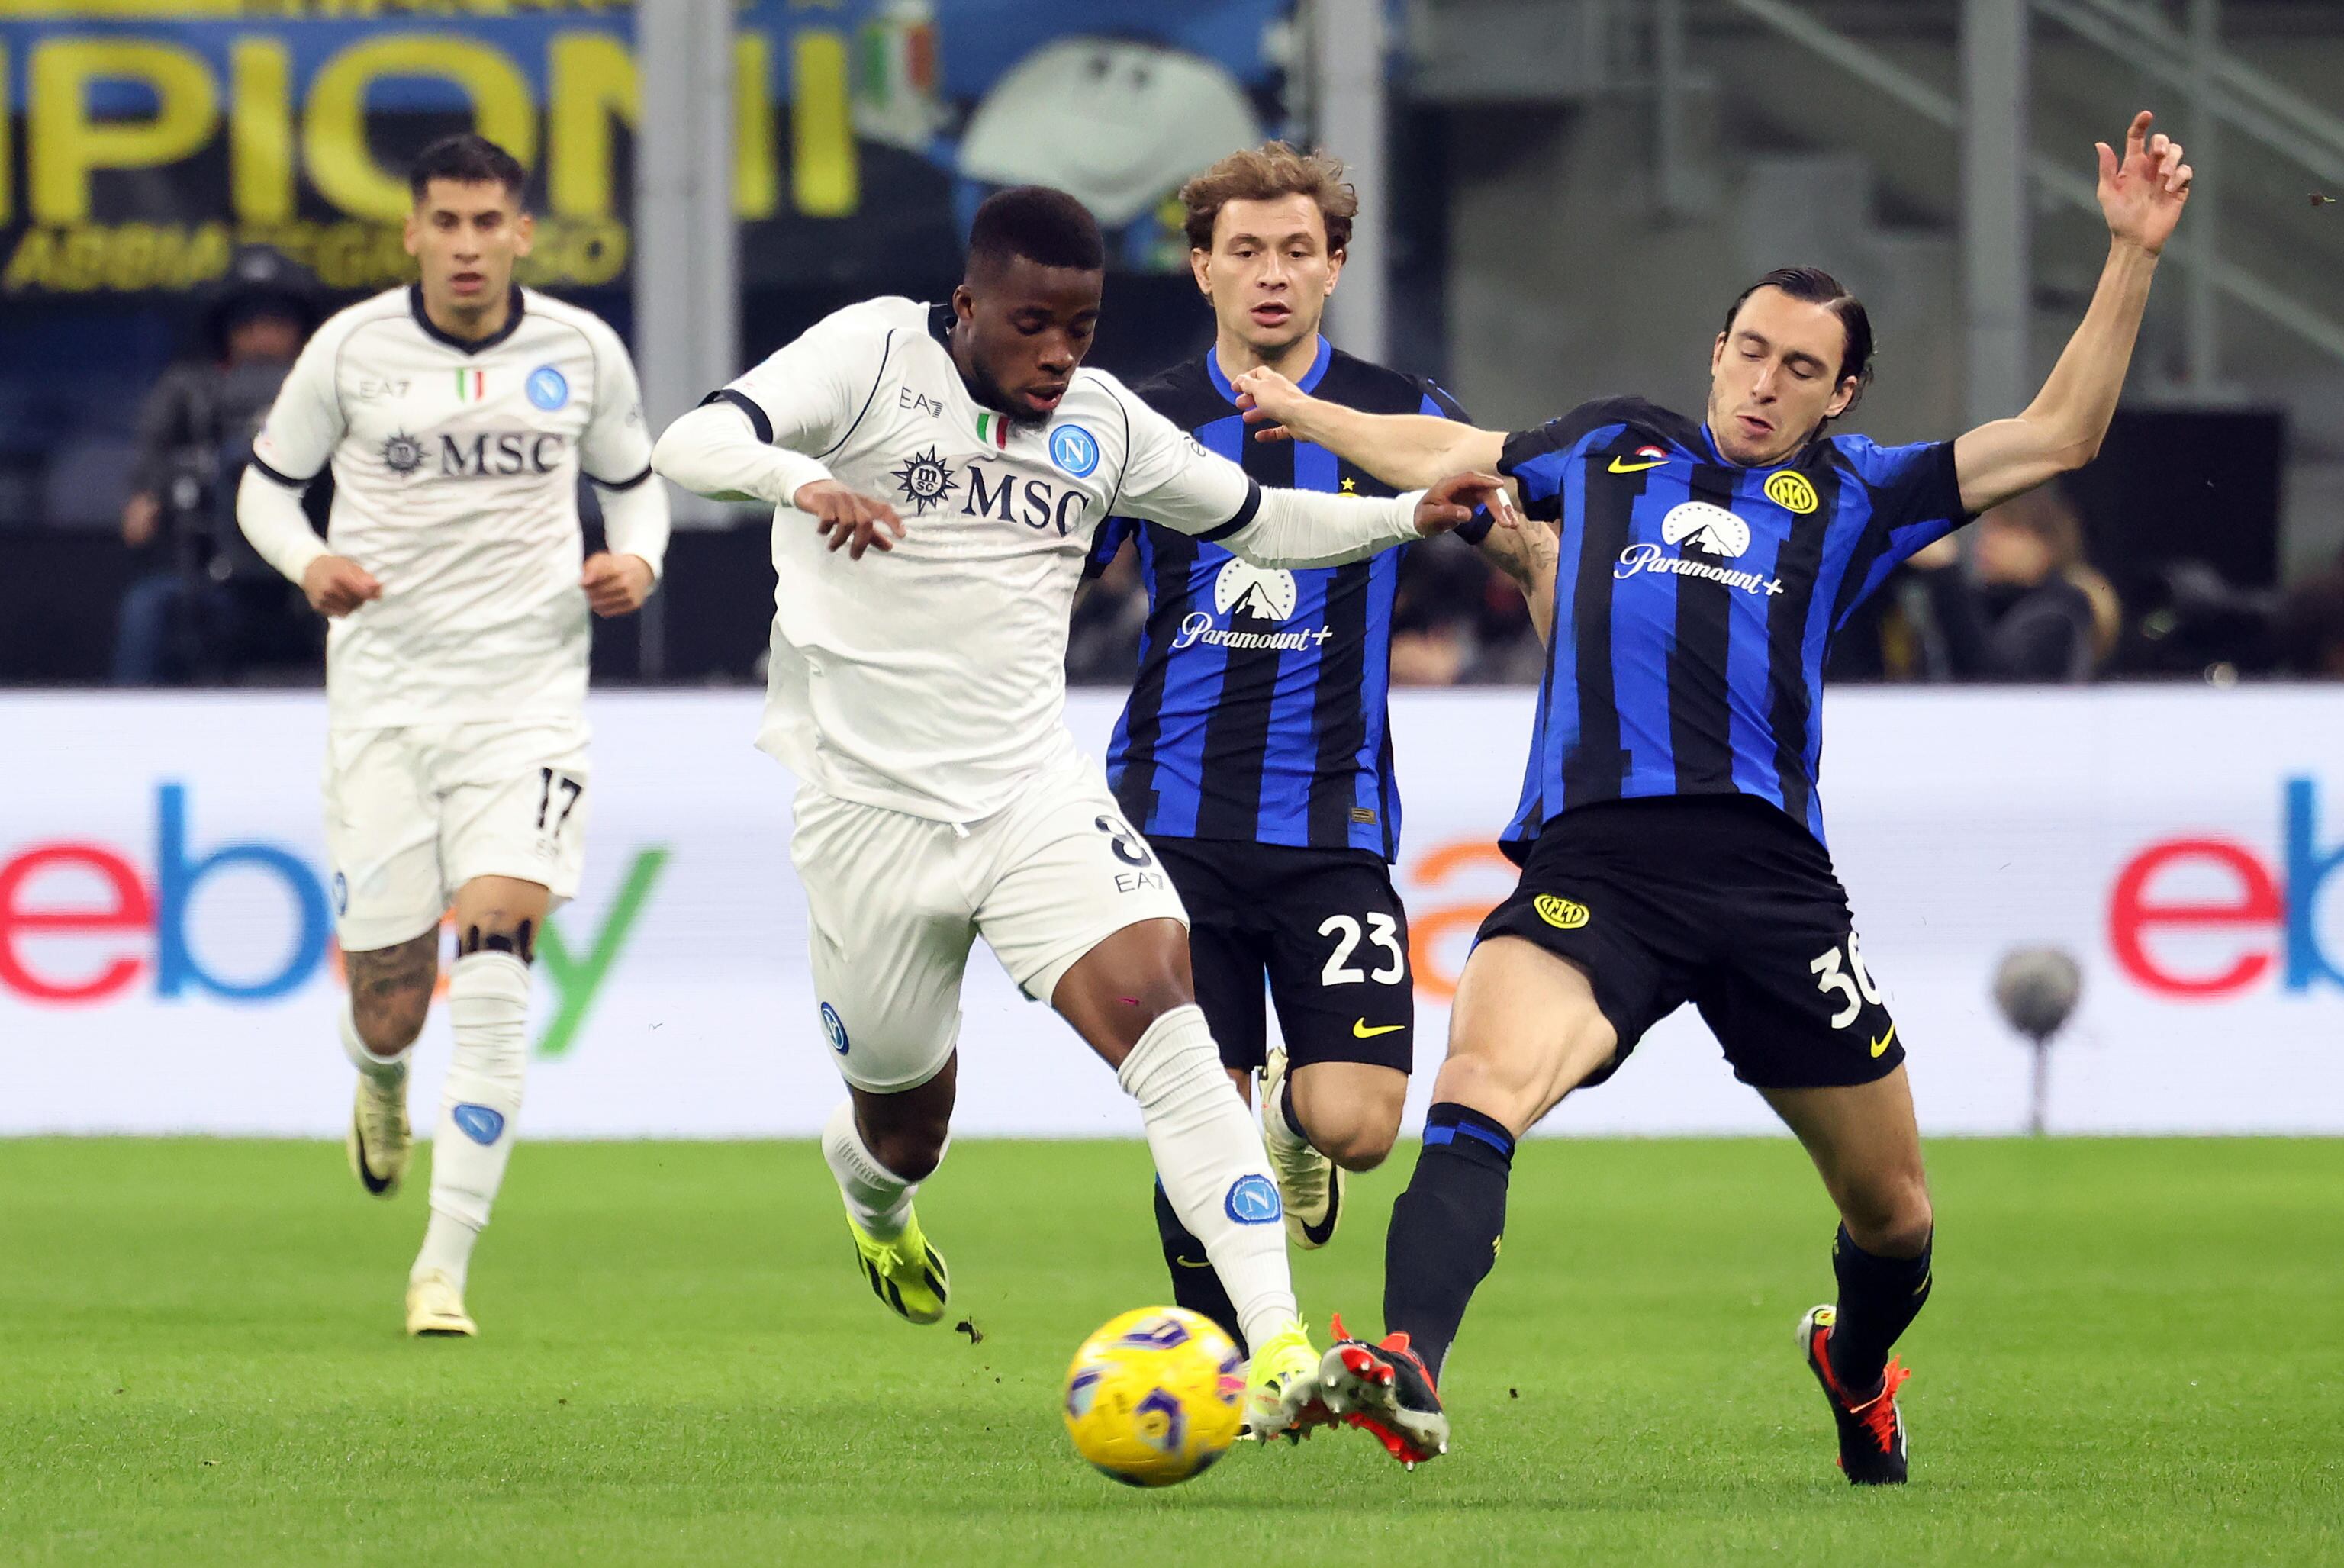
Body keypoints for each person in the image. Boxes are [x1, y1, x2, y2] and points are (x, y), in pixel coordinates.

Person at [1232, 112, 2191, 1481]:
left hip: (1770, 891)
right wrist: (1304, 410)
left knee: (1897, 1217)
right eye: (1749, 349)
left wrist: (2130, 254)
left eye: (1802, 367)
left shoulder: (1858, 494)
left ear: (1840, 395)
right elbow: (1449, 452)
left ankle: (1853, 1368)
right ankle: (1408, 1364)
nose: (1764, 380)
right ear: (1716, 352)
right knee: (1480, 1085)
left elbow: (2059, 434)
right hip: (1595, 871)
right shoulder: (1611, 449)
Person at [649, 184, 1505, 1439]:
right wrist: (801, 484)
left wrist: (1396, 513)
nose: (1057, 354)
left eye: (1082, 326)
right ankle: (874, 1198)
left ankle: (1275, 1354)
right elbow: (694, 444)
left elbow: (1260, 521)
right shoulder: (872, 354)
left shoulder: (1103, 424)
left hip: (1029, 800)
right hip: (868, 820)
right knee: (903, 1120)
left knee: (1171, 1026)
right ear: (967, 308)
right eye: (1031, 325)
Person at [1083, 143, 1554, 1358]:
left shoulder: (1407, 417)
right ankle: (1212, 1359)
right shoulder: (1136, 421)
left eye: (1300, 250)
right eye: (1245, 250)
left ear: (1336, 265)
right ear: (1202, 267)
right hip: (1166, 823)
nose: (1273, 273)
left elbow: (1523, 546)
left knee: (1360, 1121)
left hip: (1330, 828)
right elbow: (1045, 576)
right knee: (1195, 1111)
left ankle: (1294, 1118)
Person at [236, 134, 671, 1338]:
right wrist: (308, 557)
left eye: (491, 223)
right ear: (413, 233)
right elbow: (265, 488)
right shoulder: (352, 348)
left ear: (522, 232)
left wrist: (638, 556)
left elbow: (636, 484)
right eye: (448, 222)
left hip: (526, 705)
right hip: (383, 700)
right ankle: (380, 1084)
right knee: (393, 1001)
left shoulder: (581, 351)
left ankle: (444, 1266)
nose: (470, 245)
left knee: (492, 970)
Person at [114, 248, 320, 684]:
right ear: (226, 330)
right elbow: (149, 468)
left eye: (276, 324)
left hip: (317, 568)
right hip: (212, 570)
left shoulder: (331, 387)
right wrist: (150, 493)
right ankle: (126, 733)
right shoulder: (188, 390)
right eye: (249, 325)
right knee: (148, 608)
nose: (262, 337)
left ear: (301, 329)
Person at [1905, 485, 2118, 681]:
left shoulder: (2059, 612)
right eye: (1988, 528)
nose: (1988, 540)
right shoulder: (1987, 604)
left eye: (2005, 528)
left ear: (2046, 544)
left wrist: (1945, 572)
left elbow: (1994, 682)